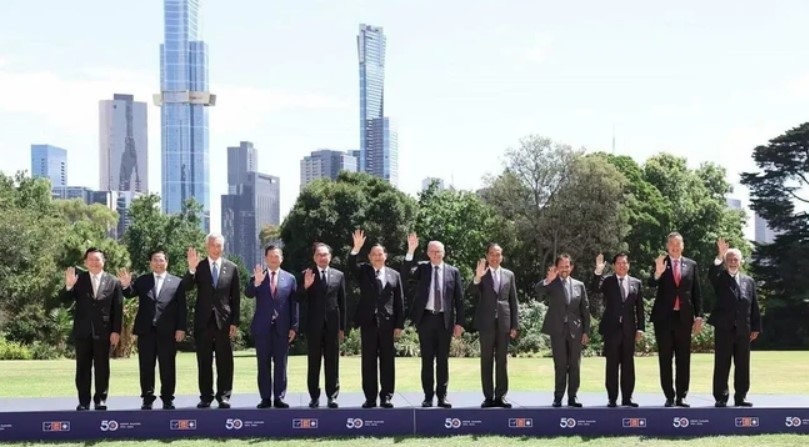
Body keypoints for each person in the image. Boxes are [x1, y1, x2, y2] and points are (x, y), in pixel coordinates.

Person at [118, 250, 187, 410]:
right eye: (155, 260)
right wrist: (126, 285)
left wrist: (181, 328)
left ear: (167, 262)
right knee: (146, 366)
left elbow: (182, 308)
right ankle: (147, 398)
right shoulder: (143, 280)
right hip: (146, 331)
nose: (158, 263)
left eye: (161, 260)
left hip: (168, 331)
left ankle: (168, 398)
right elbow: (129, 294)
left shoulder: (177, 282)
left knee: (168, 366)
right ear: (150, 263)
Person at [404, 233, 465, 409]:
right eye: (433, 251)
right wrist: (410, 251)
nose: (436, 254)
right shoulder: (422, 268)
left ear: (444, 253)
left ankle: (442, 396)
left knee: (443, 360)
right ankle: (428, 397)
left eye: (439, 251)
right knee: (427, 360)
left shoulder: (453, 271)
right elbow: (407, 273)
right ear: (428, 253)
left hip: (445, 321)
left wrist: (459, 323)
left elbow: (459, 299)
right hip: (426, 319)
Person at [182, 233, 241, 409]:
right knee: (204, 361)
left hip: (224, 321)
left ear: (223, 247)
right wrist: (191, 270)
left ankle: (224, 396)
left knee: (225, 361)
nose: (216, 249)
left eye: (219, 246)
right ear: (207, 246)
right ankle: (206, 396)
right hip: (203, 321)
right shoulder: (198, 266)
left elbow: (235, 298)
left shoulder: (232, 267)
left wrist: (235, 322)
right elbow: (186, 287)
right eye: (213, 245)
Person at [61, 247, 123, 411]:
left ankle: (100, 399)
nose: (94, 262)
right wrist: (68, 286)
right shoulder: (78, 280)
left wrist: (116, 331)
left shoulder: (113, 281)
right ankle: (83, 401)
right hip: (83, 331)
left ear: (104, 261)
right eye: (91, 259)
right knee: (82, 368)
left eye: (98, 259)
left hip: (104, 331)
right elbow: (65, 300)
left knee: (102, 367)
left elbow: (117, 309)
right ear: (85, 262)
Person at [349, 229, 404, 408]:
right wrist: (355, 249)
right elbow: (351, 265)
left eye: (380, 254)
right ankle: (370, 398)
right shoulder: (364, 271)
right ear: (369, 257)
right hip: (369, 323)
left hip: (388, 324)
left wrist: (399, 325)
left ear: (385, 256)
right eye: (373, 254)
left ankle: (386, 396)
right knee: (368, 361)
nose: (377, 257)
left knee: (388, 361)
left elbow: (399, 302)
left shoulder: (394, 275)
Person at [648, 232, 703, 407]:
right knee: (665, 358)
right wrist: (657, 273)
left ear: (683, 246)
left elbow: (697, 293)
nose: (675, 247)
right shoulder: (661, 263)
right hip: (664, 318)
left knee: (683, 358)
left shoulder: (691, 265)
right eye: (671, 244)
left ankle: (682, 396)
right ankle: (669, 396)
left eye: (678, 244)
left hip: (684, 318)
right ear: (667, 246)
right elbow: (651, 284)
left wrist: (699, 316)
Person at [708, 239, 761, 407]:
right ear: (725, 261)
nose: (732, 262)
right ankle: (721, 398)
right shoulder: (720, 278)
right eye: (729, 259)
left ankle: (741, 397)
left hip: (743, 331)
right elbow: (712, 273)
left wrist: (756, 327)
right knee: (722, 364)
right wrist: (720, 255)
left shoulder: (749, 281)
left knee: (743, 365)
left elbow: (754, 306)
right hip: (724, 329)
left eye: (735, 259)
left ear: (740, 262)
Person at [245, 245, 299, 409]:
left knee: (281, 364)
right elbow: (248, 294)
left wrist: (294, 327)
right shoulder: (258, 276)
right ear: (266, 258)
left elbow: (294, 303)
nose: (274, 259)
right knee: (263, 363)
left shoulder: (290, 279)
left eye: (277, 256)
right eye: (271, 256)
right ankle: (265, 398)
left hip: (282, 328)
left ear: (281, 258)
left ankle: (279, 397)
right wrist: (256, 283)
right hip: (262, 328)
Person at [296, 243, 346, 408]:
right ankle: (314, 396)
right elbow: (298, 299)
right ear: (314, 257)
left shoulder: (339, 275)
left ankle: (332, 396)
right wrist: (305, 286)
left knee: (332, 363)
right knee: (314, 363)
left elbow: (342, 303)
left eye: (325, 254)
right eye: (319, 254)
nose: (322, 257)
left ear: (330, 257)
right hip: (313, 326)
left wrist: (342, 328)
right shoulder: (306, 274)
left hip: (332, 326)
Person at [536, 254, 590, 408]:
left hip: (576, 330)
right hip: (557, 330)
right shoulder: (552, 283)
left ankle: (573, 397)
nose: (564, 269)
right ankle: (558, 397)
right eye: (561, 266)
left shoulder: (579, 285)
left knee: (574, 365)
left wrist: (586, 331)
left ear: (571, 267)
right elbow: (538, 289)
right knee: (560, 365)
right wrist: (548, 279)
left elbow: (585, 310)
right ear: (557, 268)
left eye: (567, 266)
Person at [470, 243, 518, 408]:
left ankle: (501, 396)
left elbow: (513, 301)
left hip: (504, 323)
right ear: (487, 255)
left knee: (502, 361)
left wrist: (514, 325)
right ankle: (488, 397)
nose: (495, 257)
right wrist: (477, 278)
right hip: (486, 323)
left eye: (498, 254)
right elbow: (471, 293)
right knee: (486, 360)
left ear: (502, 256)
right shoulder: (481, 273)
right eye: (492, 254)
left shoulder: (509, 274)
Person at [593, 252, 644, 408]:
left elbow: (640, 308)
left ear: (628, 265)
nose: (622, 265)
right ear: (614, 266)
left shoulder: (636, 283)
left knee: (628, 365)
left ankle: (627, 398)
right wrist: (598, 272)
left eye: (625, 263)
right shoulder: (608, 281)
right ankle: (612, 398)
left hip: (629, 330)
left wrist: (641, 328)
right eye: (619, 263)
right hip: (612, 329)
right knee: (612, 365)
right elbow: (595, 288)